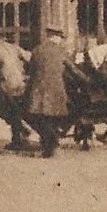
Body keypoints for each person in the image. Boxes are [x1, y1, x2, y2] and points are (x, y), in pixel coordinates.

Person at [23, 26, 83, 159]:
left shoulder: (37, 50)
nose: (61, 41)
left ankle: (49, 145)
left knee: (39, 119)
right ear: (57, 37)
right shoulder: (61, 51)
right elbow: (73, 70)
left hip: (38, 91)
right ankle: (52, 144)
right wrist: (88, 80)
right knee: (55, 119)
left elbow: (30, 70)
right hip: (56, 91)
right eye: (61, 38)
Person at [0, 28, 30, 150]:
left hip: (6, 85)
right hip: (21, 82)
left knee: (5, 111)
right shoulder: (14, 47)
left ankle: (19, 136)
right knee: (16, 110)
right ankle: (20, 134)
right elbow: (29, 57)